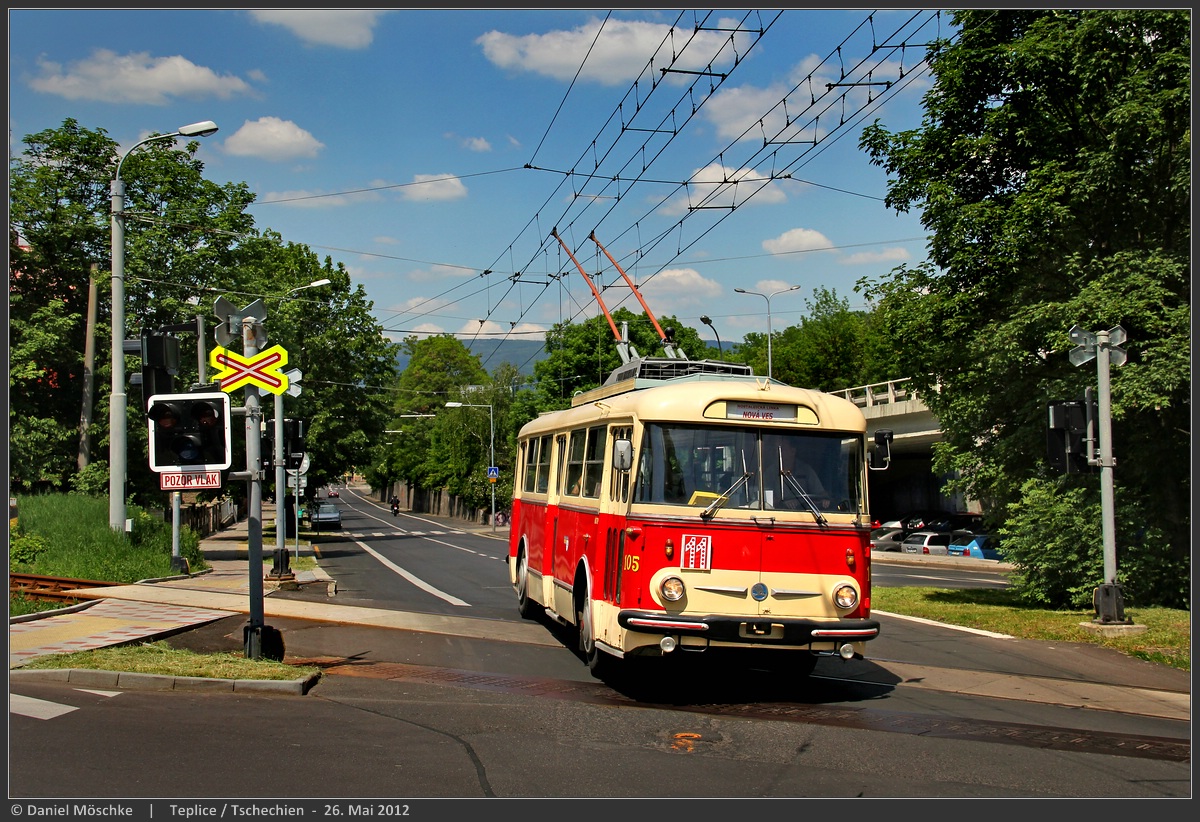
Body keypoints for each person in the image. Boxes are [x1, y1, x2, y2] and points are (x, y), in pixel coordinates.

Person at [771, 437, 832, 511]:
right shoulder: (771, 472)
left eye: (782, 450)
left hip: (806, 513)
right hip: (781, 513)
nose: (779, 454)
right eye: (777, 450)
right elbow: (766, 497)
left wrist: (824, 499)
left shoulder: (806, 470)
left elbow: (821, 493)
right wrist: (781, 501)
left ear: (793, 451)